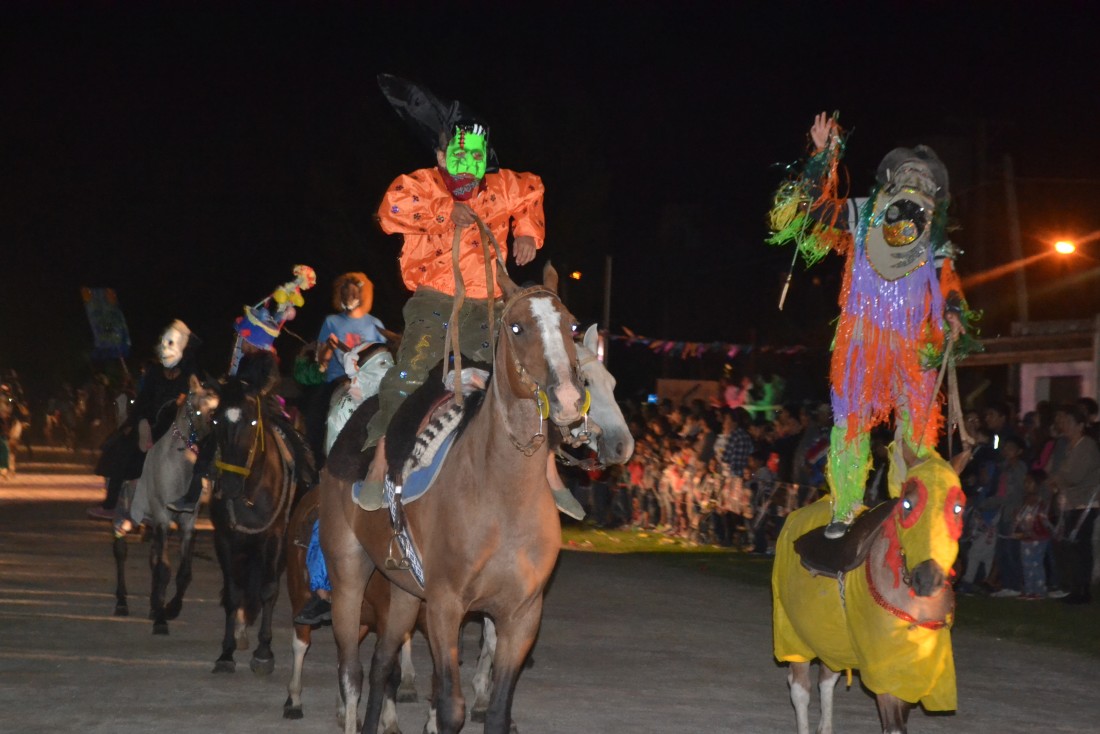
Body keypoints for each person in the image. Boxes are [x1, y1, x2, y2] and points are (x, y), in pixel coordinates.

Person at [360, 75, 583, 519]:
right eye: (459, 158)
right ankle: (380, 459)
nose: (467, 168)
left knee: (518, 375)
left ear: (486, 161)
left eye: (476, 159)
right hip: (434, 301)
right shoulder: (421, 184)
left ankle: (548, 468)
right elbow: (390, 212)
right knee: (409, 372)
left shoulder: (502, 188)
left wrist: (525, 232)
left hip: (490, 305)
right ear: (441, 155)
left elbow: (533, 189)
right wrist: (445, 211)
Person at [767, 111, 977, 538]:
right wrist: (823, 157)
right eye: (908, 170)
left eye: (925, 174)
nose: (916, 177)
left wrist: (954, 313)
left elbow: (947, 281)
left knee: (916, 432)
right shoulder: (864, 213)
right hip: (862, 337)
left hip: (913, 341)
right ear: (890, 178)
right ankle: (844, 509)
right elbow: (815, 212)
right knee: (850, 423)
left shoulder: (935, 234)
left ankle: (908, 511)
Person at [90, 320, 197, 520]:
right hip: (146, 421)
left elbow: (190, 403)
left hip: (173, 425)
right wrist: (132, 423)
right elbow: (143, 400)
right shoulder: (155, 372)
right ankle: (111, 504)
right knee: (120, 448)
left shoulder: (188, 377)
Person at [303, 272, 387, 462]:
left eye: (353, 293)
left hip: (369, 383)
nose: (349, 297)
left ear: (361, 295)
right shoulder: (331, 322)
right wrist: (328, 348)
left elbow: (383, 358)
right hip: (337, 379)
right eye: (345, 293)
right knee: (315, 413)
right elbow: (321, 359)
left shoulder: (375, 324)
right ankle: (318, 461)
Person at [1047, 405, 1100, 604]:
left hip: (1084, 504)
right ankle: (1075, 587)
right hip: (1071, 503)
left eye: (1069, 422)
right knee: (1073, 547)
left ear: (1080, 425)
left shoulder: (1086, 446)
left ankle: (1082, 589)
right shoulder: (1069, 446)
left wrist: (1056, 479)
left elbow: (1073, 476)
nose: (1064, 426)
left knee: (1080, 547)